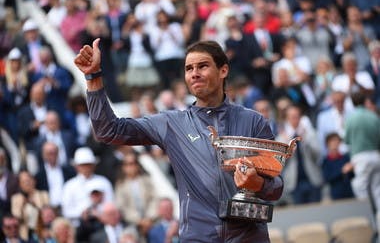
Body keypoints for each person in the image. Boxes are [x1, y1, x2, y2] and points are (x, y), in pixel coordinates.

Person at [74, 38, 284, 242]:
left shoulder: (253, 121)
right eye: (189, 69)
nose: (194, 74)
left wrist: (258, 183)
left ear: (223, 70)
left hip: (248, 236)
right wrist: (94, 77)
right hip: (198, 237)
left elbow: (276, 187)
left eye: (202, 66)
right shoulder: (171, 123)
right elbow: (108, 130)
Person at [321, 132, 354, 200]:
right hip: (336, 194)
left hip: (348, 192)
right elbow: (327, 178)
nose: (335, 143)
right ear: (327, 144)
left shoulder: (345, 158)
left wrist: (351, 169)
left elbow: (352, 176)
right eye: (332, 141)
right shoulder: (326, 161)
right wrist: (342, 171)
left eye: (337, 141)